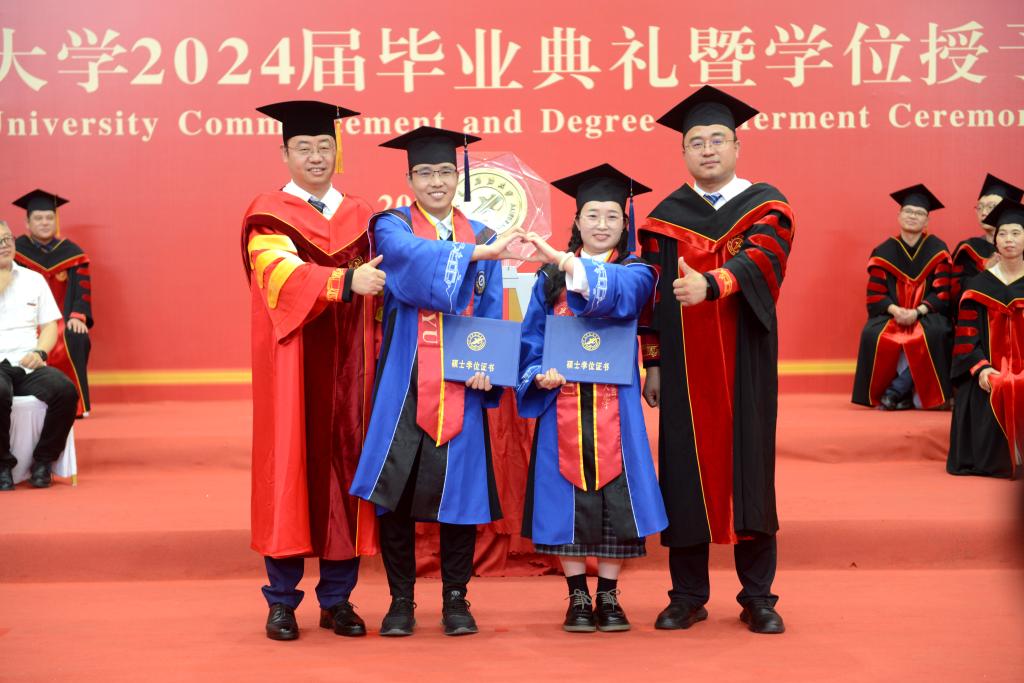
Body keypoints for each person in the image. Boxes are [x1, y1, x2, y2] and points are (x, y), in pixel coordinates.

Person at [349, 126, 525, 637]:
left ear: (458, 178)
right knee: (395, 489)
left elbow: (490, 309)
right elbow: (408, 264)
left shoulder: (483, 235)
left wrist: (489, 365)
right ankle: (400, 600)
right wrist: (476, 256)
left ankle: (455, 599)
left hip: (460, 382)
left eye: (445, 171)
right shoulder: (391, 225)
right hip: (404, 377)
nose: (436, 181)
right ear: (409, 180)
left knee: (460, 494)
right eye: (424, 173)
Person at [638, 86, 795, 635]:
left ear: (736, 146)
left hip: (745, 359)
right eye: (697, 142)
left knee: (750, 470)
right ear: (683, 151)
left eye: (717, 140)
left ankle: (758, 596)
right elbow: (652, 299)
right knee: (683, 471)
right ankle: (687, 595)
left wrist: (713, 283)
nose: (708, 150)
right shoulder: (664, 220)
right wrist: (653, 362)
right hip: (684, 366)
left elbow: (765, 259)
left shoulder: (767, 206)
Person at [241, 100, 386, 641]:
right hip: (294, 363)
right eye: (304, 147)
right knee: (290, 470)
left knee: (346, 472)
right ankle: (281, 601)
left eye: (325, 146)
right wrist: (344, 282)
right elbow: (276, 272)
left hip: (353, 365)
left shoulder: (362, 214)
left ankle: (337, 600)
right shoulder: (268, 214)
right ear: (285, 153)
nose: (316, 156)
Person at [515, 164, 667, 632]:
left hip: (615, 405)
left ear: (626, 224)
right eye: (592, 215)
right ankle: (578, 594)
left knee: (616, 498)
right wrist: (538, 374)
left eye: (612, 216)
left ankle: (610, 594)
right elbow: (531, 339)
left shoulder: (636, 271)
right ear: (577, 220)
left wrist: (569, 265)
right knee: (566, 499)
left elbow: (625, 298)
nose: (602, 225)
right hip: (561, 401)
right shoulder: (548, 278)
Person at [851, 185, 953, 410]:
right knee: (872, 333)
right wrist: (896, 311)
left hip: (926, 314)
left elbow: (942, 293)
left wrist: (917, 311)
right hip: (893, 314)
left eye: (919, 213)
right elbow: (875, 294)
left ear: (927, 221)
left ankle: (896, 391)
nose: (912, 216)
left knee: (936, 332)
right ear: (899, 216)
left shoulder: (937, 249)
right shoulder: (884, 251)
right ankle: (896, 392)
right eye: (908, 211)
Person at [947, 199, 1024, 478]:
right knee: (979, 389)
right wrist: (981, 368)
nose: (1009, 239)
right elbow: (967, 337)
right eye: (1002, 233)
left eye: (1016, 233)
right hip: (990, 368)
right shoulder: (979, 286)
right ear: (995, 240)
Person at [0, 220, 78, 491]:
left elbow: (49, 327)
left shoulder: (33, 280)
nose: (4, 246)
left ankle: (44, 461)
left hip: (28, 364)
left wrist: (40, 351)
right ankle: (3, 465)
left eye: (7, 239)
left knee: (66, 391)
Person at [12, 190, 93, 417]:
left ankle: (76, 404)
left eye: (49, 217)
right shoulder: (15, 252)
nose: (45, 222)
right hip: (26, 320)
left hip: (60, 319)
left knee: (76, 335)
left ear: (56, 221)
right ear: (27, 222)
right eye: (38, 218)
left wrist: (78, 316)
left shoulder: (72, 253)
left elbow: (82, 290)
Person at [951, 174, 1023, 307]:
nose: (984, 212)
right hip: (982, 315)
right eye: (980, 207)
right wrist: (986, 272)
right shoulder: (968, 249)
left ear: (1005, 209)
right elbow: (956, 294)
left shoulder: (1020, 249)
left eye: (990, 206)